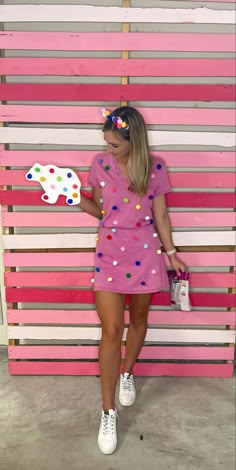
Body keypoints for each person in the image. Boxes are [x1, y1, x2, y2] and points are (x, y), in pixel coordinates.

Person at [78, 106, 185, 455]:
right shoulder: (99, 164)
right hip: (109, 252)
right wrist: (72, 195)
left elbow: (162, 214)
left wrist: (171, 253)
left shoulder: (155, 168)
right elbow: (100, 210)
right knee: (111, 330)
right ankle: (108, 412)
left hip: (145, 253)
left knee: (138, 319)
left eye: (115, 145)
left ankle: (128, 372)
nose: (108, 149)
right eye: (106, 143)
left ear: (132, 140)